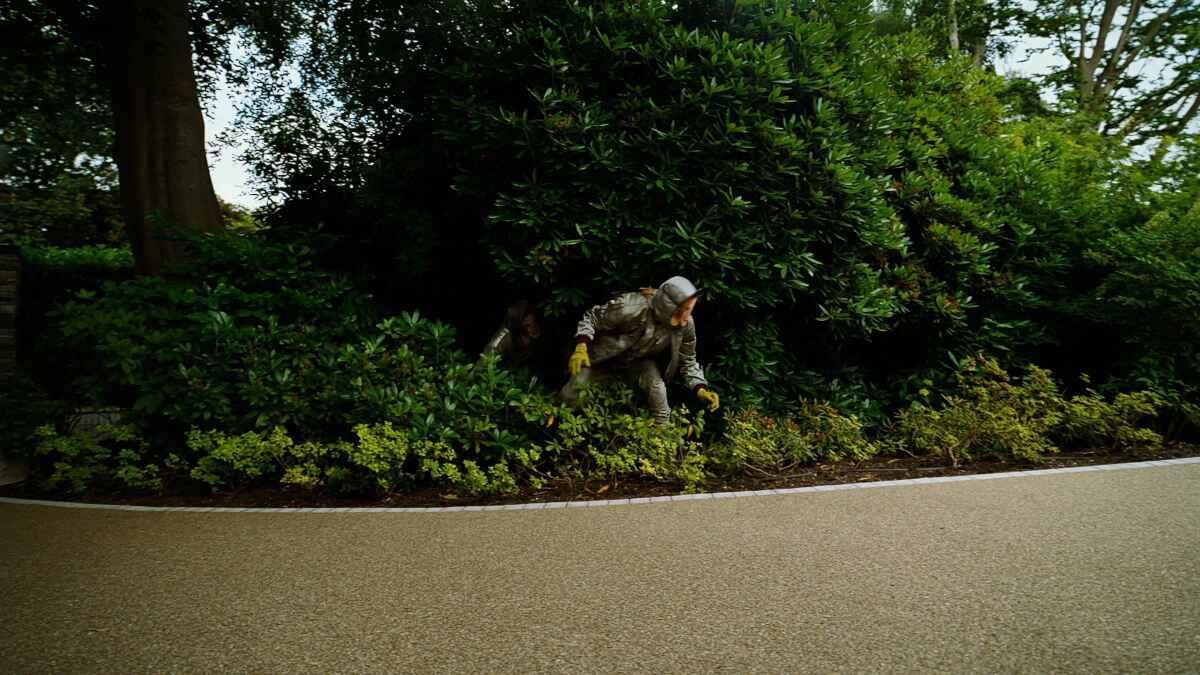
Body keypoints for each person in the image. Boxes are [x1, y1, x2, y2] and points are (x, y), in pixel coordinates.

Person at [559, 276, 719, 425]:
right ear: (668, 307)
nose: (686, 317)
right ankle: (555, 422)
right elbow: (592, 318)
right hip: (602, 358)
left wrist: (700, 389)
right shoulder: (630, 307)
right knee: (571, 395)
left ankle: (662, 435)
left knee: (658, 391)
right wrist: (581, 347)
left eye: (690, 309)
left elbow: (688, 360)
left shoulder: (686, 325)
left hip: (638, 363)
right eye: (683, 309)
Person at [479, 301, 543, 369]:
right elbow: (489, 353)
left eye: (528, 314)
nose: (528, 320)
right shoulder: (505, 334)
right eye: (526, 324)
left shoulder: (539, 323)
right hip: (506, 369)